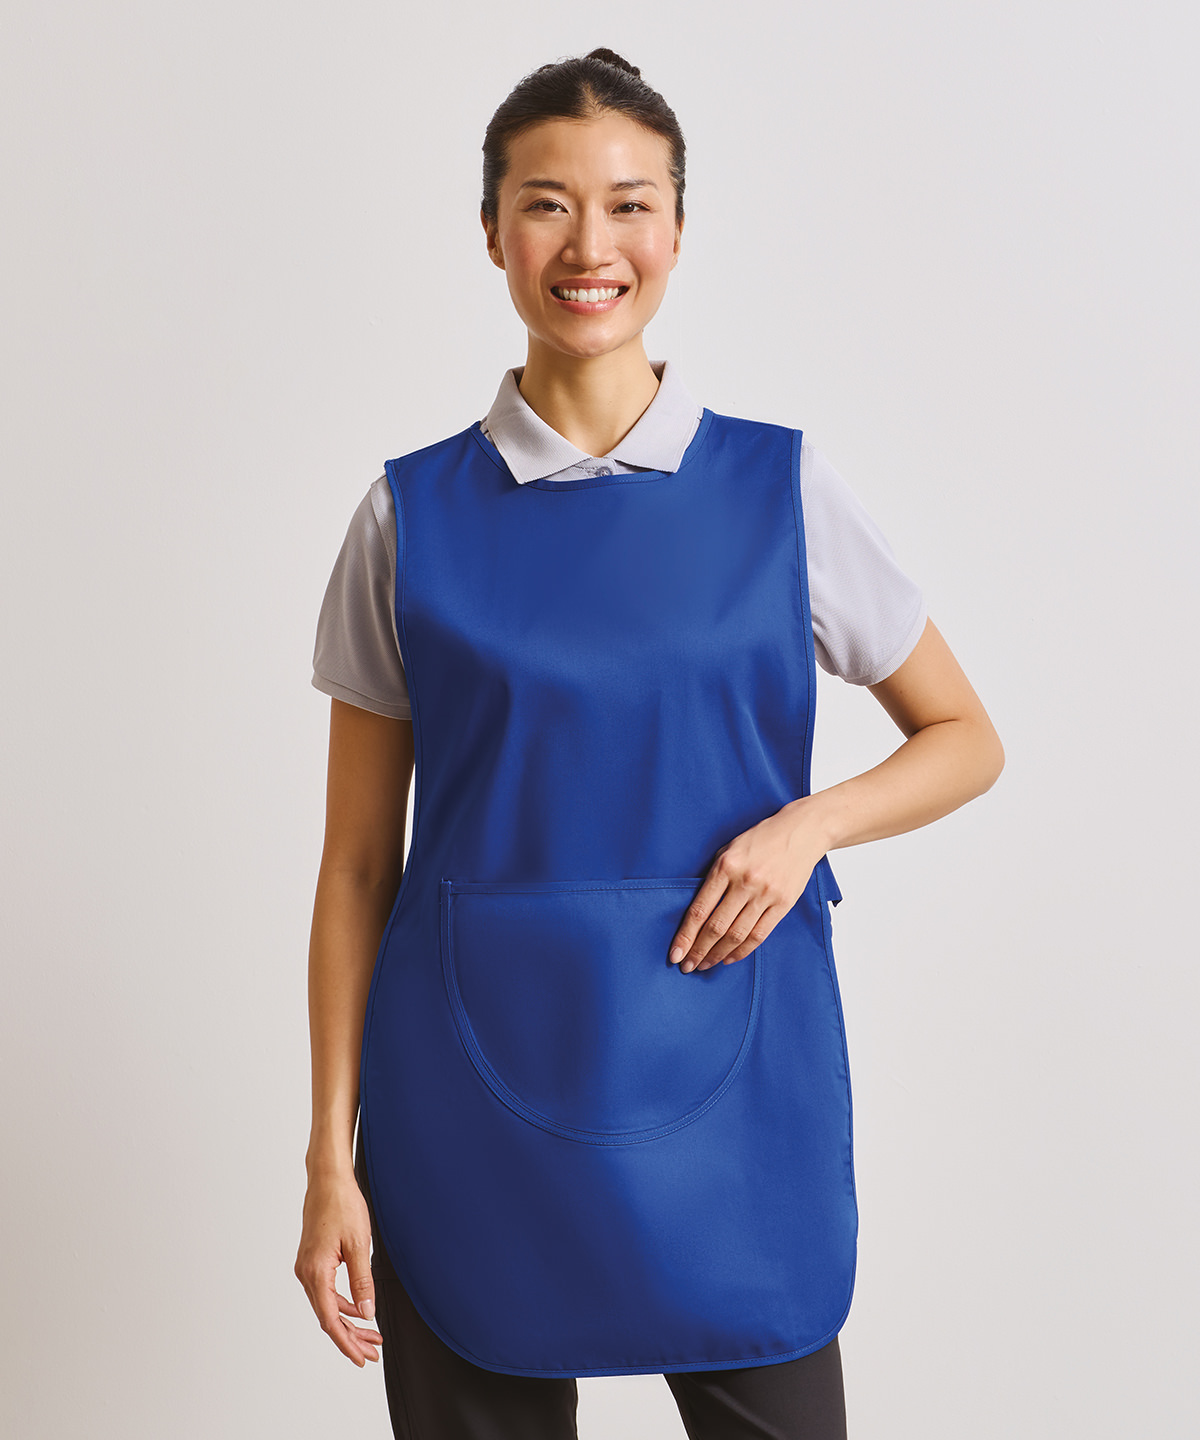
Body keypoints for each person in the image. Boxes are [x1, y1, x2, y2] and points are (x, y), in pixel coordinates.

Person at [294, 47, 1004, 1440]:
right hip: (465, 1094)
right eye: (546, 205)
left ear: (678, 229)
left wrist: (808, 827)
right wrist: (330, 1157)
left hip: (734, 1080)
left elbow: (964, 736)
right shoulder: (406, 519)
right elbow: (358, 867)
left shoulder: (780, 488)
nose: (590, 246)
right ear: (491, 230)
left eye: (629, 204)